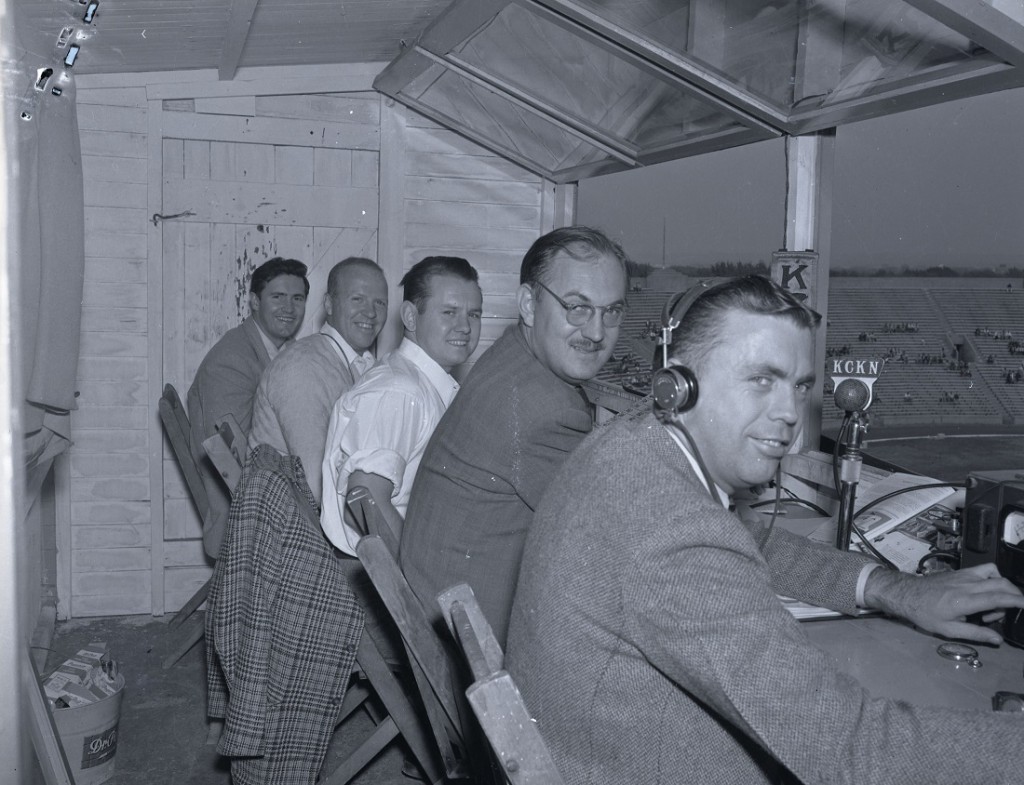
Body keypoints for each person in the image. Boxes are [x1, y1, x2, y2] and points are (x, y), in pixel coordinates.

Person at [506, 275, 1024, 785]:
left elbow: (750, 541)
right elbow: (851, 751)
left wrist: (896, 590)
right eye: (761, 379)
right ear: (681, 381)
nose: (789, 416)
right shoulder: (669, 527)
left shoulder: (635, 448)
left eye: (798, 386)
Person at [400, 226, 628, 646]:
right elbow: (620, 538)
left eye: (611, 311)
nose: (596, 332)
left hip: (440, 613)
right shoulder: (543, 405)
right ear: (528, 303)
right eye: (577, 308)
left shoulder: (512, 357)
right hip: (477, 656)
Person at [321, 256, 483, 553]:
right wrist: (416, 582)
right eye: (449, 312)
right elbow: (364, 498)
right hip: (370, 582)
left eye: (473, 315)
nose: (465, 327)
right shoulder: (400, 391)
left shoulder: (420, 384)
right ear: (410, 317)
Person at [187, 257, 308, 557]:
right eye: (277, 297)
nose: (289, 308)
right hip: (238, 502)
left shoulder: (282, 350)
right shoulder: (233, 359)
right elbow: (229, 451)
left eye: (297, 298)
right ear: (254, 301)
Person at [250, 257, 387, 501]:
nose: (371, 312)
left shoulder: (362, 363)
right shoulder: (302, 366)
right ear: (329, 304)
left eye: (380, 303)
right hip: (294, 529)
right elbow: (317, 487)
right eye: (357, 299)